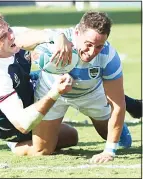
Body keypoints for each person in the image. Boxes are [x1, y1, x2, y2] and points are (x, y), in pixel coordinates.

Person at [31, 11, 140, 163]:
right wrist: (54, 38)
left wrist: (109, 151)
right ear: (76, 33)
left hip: (92, 94)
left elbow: (118, 105)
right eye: (88, 44)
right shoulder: (58, 38)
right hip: (53, 91)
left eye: (99, 46)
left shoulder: (109, 56)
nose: (92, 52)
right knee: (41, 150)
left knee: (123, 144)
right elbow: (21, 40)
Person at [0, 10, 78, 156]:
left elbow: (45, 35)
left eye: (8, 28)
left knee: (72, 136)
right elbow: (23, 124)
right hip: (7, 123)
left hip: (23, 87)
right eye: (2, 36)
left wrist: (59, 37)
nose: (11, 35)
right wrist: (55, 91)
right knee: (43, 150)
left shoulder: (12, 36)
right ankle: (15, 145)